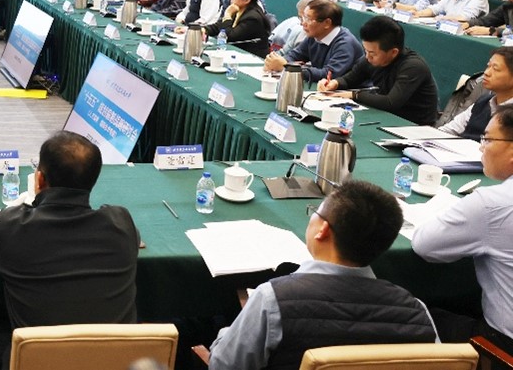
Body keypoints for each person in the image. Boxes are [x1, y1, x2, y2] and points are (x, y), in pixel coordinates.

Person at [208, 180, 437, 370]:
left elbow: (222, 365)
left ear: (323, 230)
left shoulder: (272, 300)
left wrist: (232, 332)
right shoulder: (417, 312)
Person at [0, 132, 138, 370]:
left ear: (39, 179)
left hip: (36, 364)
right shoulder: (121, 224)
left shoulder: (12, 227)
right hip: (112, 363)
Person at [413, 107, 513, 356]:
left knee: (409, 315)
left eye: (487, 139)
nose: (481, 148)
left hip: (501, 348)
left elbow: (425, 246)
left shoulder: (491, 203)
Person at [318, 16, 439, 125]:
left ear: (393, 52)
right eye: (365, 50)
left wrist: (355, 95)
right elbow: (350, 79)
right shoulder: (371, 59)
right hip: (386, 119)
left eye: (372, 53)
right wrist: (335, 83)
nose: (367, 57)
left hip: (415, 126)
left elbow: (390, 102)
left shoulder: (413, 67)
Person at [263, 0, 362, 82]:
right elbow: (294, 55)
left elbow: (329, 75)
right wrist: (277, 61)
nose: (303, 23)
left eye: (308, 19)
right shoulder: (314, 36)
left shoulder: (345, 44)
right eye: (303, 18)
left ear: (327, 23)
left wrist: (287, 67)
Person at [438, 49, 513, 140]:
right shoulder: (483, 102)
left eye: (495, 69)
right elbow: (448, 130)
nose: (486, 73)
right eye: (488, 66)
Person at [204, 0, 271, 57]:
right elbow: (219, 26)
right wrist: (204, 30)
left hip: (252, 57)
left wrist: (228, 14)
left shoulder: (253, 18)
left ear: (247, 0)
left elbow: (229, 36)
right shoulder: (238, 9)